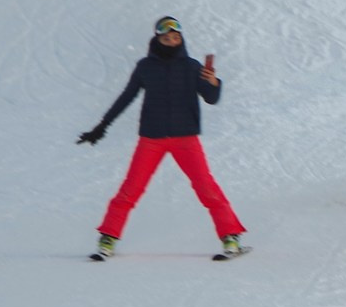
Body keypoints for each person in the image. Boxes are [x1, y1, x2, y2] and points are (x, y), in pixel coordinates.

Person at [78, 16, 249, 260]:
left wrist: (214, 83)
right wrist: (103, 125)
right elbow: (127, 96)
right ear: (158, 39)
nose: (171, 41)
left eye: (175, 37)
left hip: (186, 139)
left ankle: (231, 237)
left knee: (206, 188)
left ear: (181, 39)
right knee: (130, 189)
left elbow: (211, 98)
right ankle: (108, 239)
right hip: (152, 138)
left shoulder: (191, 66)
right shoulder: (145, 67)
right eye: (166, 38)